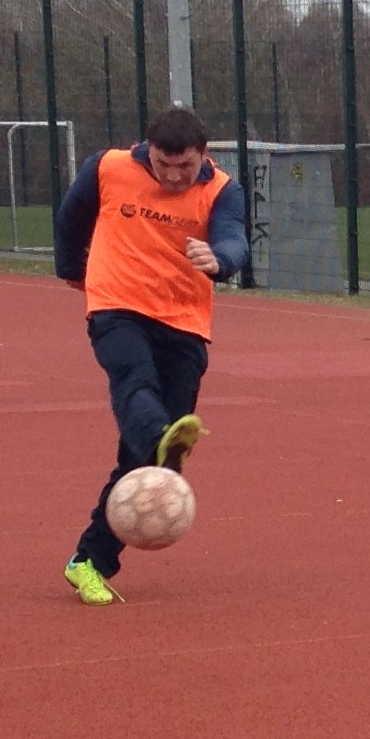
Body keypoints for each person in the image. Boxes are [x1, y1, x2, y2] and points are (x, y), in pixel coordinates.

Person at [51, 105, 249, 605]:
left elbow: (234, 237)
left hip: (184, 321)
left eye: (185, 166)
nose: (174, 175)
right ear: (147, 151)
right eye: (164, 164)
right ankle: (163, 438)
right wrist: (72, 268)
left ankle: (88, 561)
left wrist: (219, 259)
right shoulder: (108, 167)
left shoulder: (222, 189)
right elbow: (72, 216)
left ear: (203, 155)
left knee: (144, 462)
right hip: (116, 306)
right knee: (133, 378)